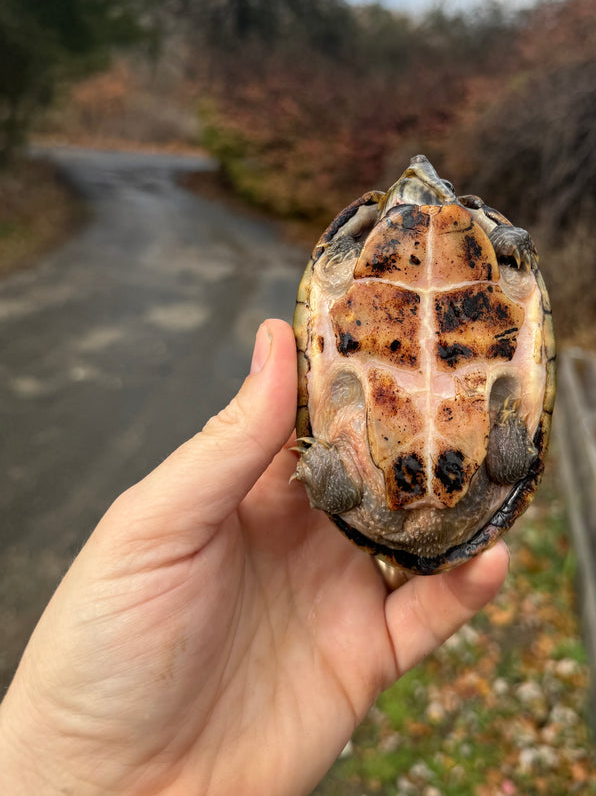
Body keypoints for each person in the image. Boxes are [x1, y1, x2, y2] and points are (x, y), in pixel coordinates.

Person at [0, 319, 509, 795]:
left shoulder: (354, 495)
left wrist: (50, 770)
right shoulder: (470, 494)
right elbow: (515, 452)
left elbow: (509, 457)